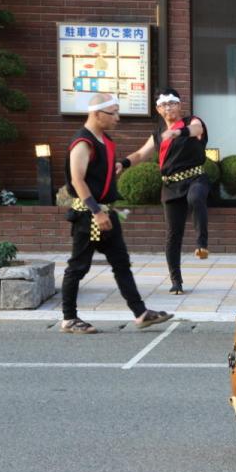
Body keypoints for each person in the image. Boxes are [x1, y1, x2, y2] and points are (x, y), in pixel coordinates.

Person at [59, 93, 173, 334]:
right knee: (78, 267)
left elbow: (107, 169)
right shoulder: (83, 142)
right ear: (97, 114)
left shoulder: (105, 141)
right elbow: (78, 180)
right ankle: (69, 318)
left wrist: (119, 166)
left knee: (121, 264)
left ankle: (141, 313)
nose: (118, 118)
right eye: (114, 113)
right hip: (89, 216)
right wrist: (96, 212)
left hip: (107, 213)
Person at [120, 87, 210, 295]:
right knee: (172, 235)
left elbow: (197, 130)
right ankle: (176, 281)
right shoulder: (158, 135)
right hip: (171, 186)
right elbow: (141, 154)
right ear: (158, 109)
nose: (168, 108)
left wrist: (178, 132)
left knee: (196, 197)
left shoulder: (191, 122)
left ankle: (202, 244)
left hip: (195, 177)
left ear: (179, 105)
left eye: (172, 103)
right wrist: (122, 163)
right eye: (163, 105)